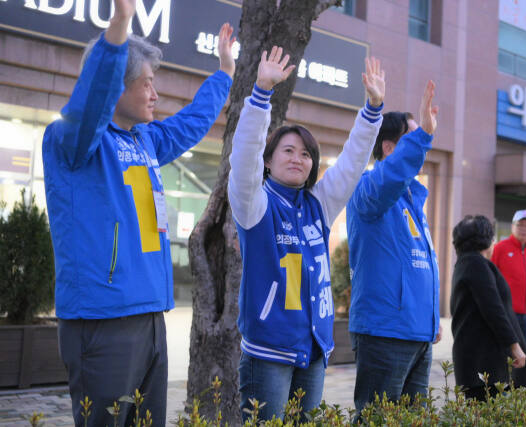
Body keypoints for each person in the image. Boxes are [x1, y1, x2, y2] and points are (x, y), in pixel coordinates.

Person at [42, 0, 235, 424]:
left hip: (150, 316)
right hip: (103, 318)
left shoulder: (144, 140)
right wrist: (120, 24)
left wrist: (224, 74)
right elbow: (90, 102)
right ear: (116, 85)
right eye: (146, 83)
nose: (155, 93)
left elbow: (190, 124)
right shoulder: (72, 142)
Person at [228, 47, 385, 421]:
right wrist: (261, 95)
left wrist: (373, 110)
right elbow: (244, 156)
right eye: (287, 150)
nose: (297, 158)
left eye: (306, 154)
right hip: (268, 352)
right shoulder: (255, 204)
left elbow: (350, 163)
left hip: (314, 349)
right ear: (268, 160)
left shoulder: (319, 204)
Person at [346, 81, 441, 416]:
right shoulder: (371, 191)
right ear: (389, 148)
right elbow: (389, 178)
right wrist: (423, 137)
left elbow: (420, 264)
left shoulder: (414, 200)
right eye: (412, 137)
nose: (422, 143)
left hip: (418, 335)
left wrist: (431, 319)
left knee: (412, 421)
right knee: (378, 420)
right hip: (385, 333)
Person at [450, 215, 526, 401]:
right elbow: (493, 308)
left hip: (476, 358)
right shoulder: (476, 264)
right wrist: (515, 346)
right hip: (482, 362)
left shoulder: (466, 263)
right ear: (487, 239)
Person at [491, 209, 526, 346]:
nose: (524, 229)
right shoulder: (499, 248)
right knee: (504, 353)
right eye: (520, 224)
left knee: (524, 355)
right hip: (507, 313)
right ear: (512, 226)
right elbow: (490, 280)